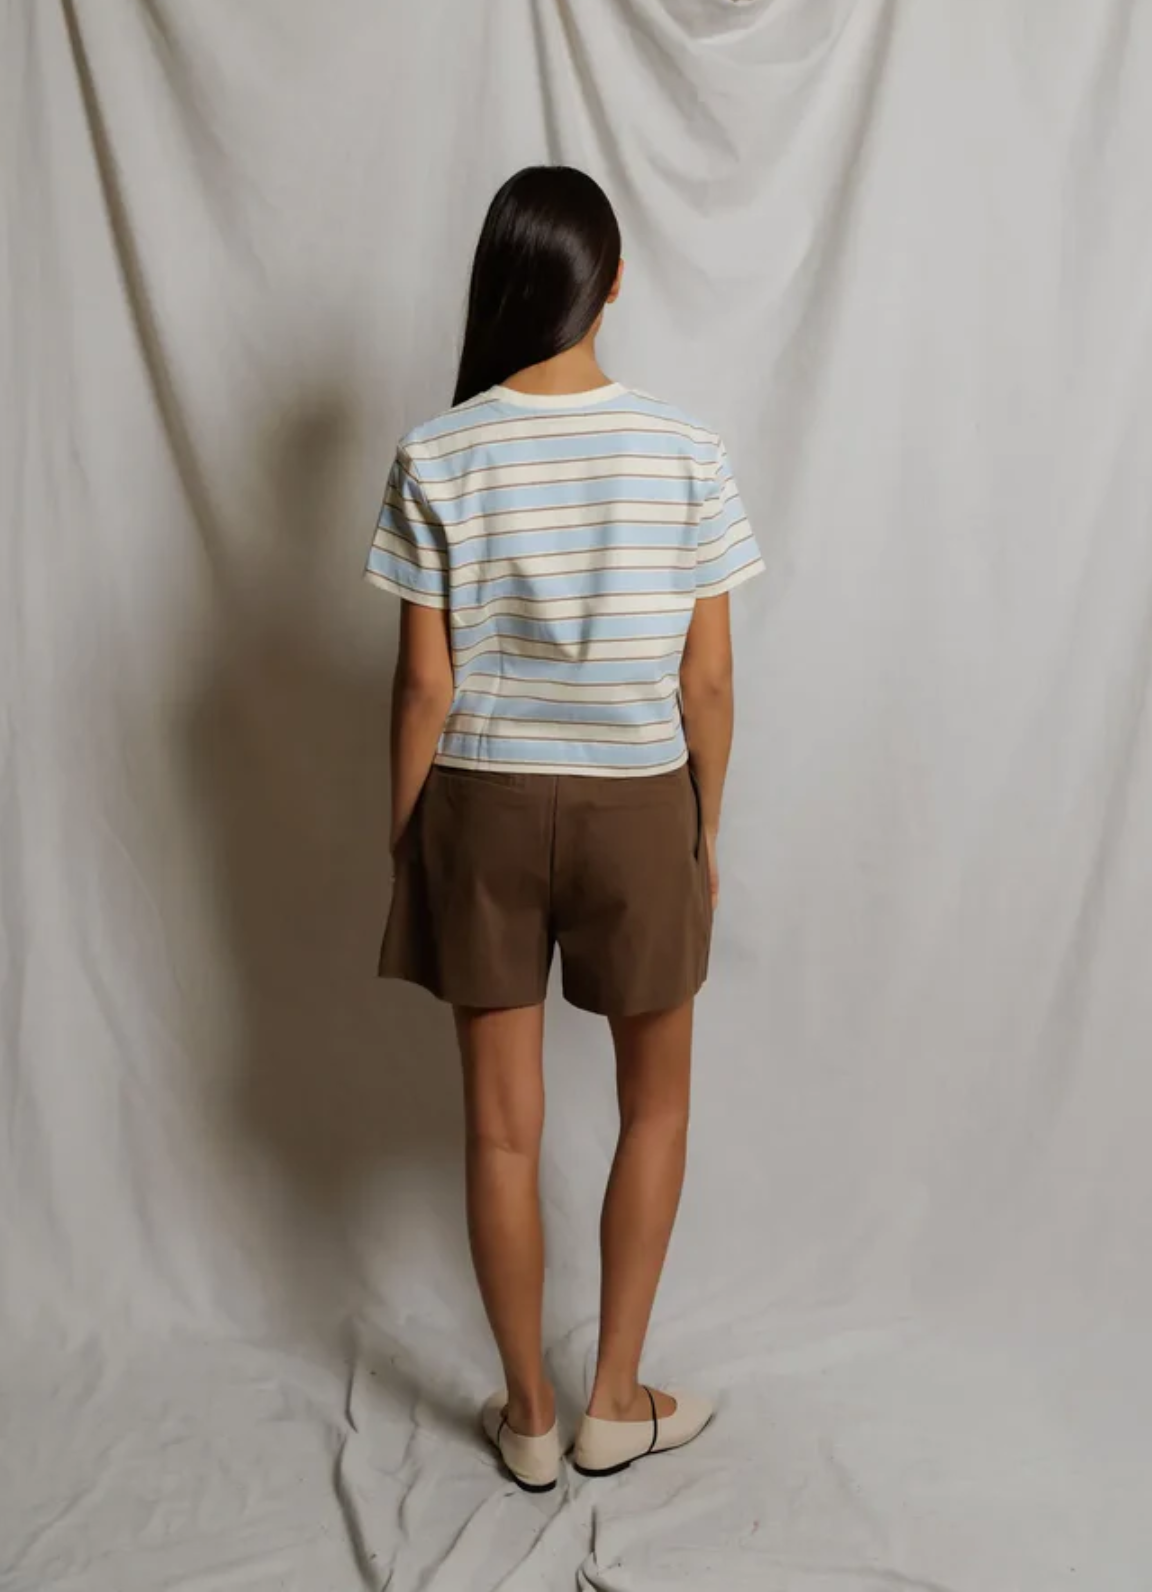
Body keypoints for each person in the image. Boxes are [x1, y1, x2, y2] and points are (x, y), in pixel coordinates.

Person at [365, 165, 764, 1489]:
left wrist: (408, 834)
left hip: (480, 803)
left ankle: (528, 1417)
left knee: (499, 1130)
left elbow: (424, 688)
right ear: (613, 283)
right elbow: (709, 684)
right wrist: (704, 830)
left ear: (502, 280)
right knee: (658, 1109)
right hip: (640, 801)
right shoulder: (686, 451)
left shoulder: (437, 452)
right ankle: (615, 1401)